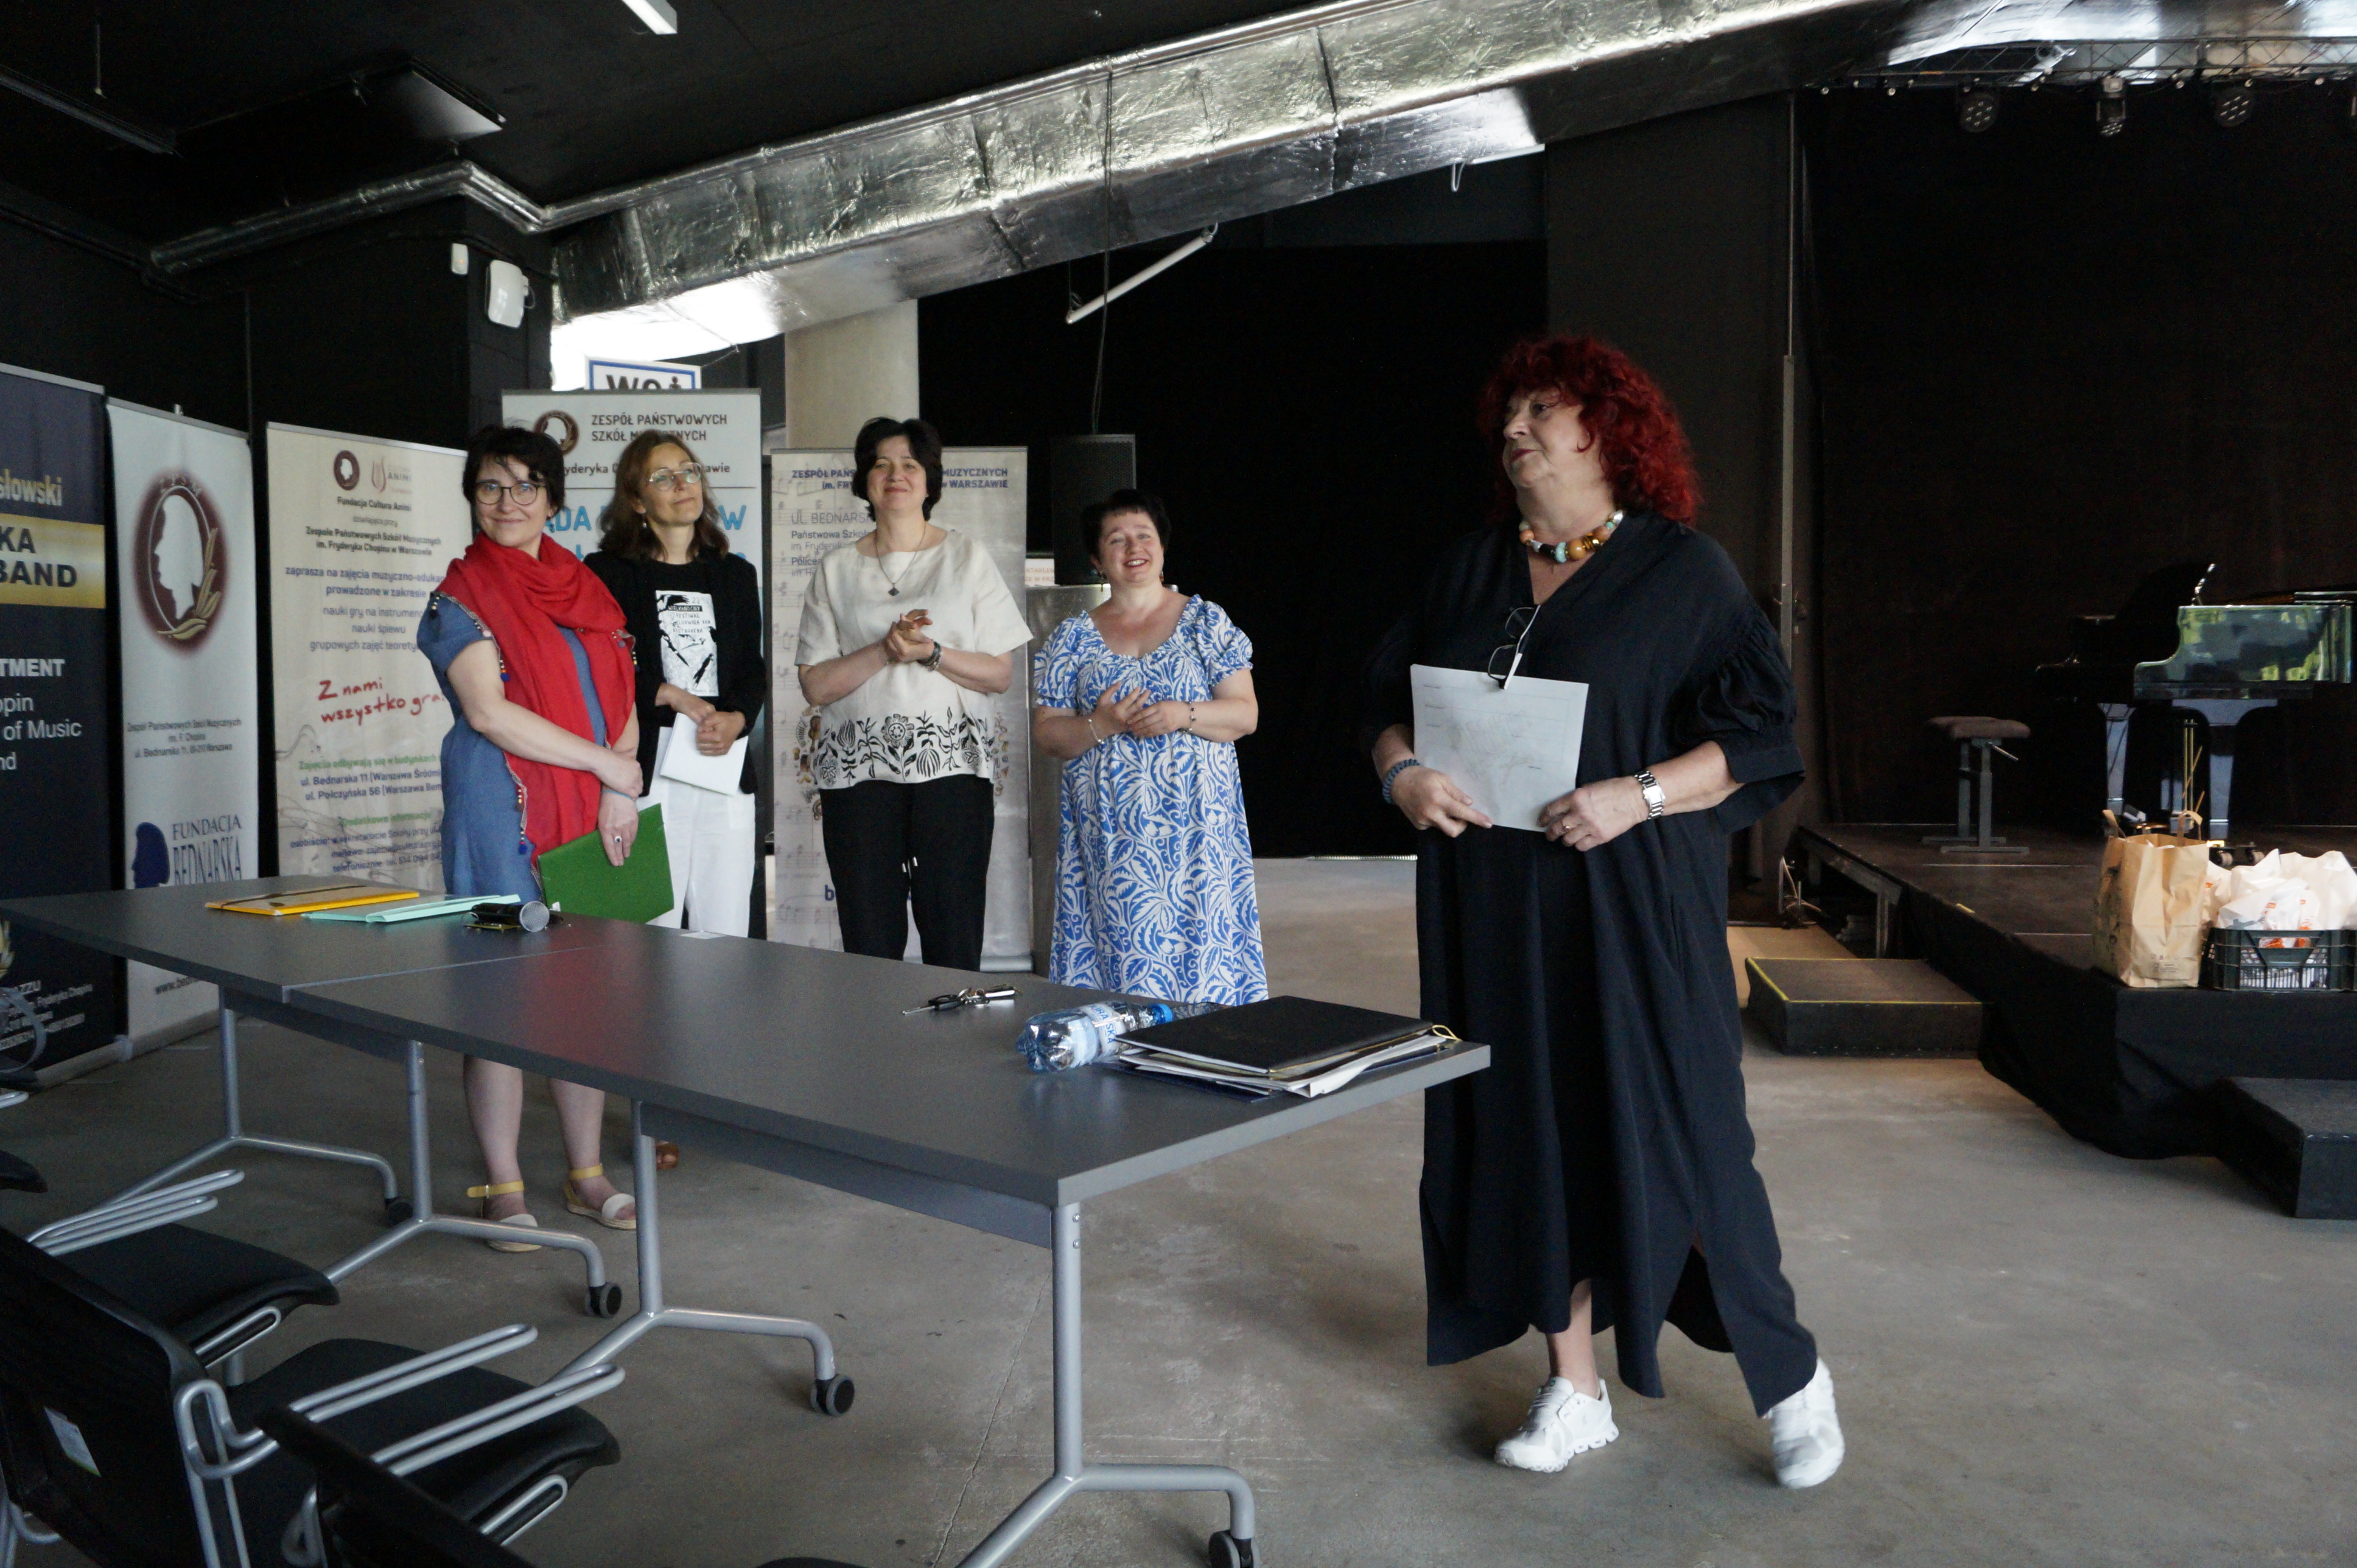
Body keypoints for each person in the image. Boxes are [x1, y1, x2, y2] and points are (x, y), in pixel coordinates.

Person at [1362, 336, 1844, 1488]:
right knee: (1528, 1134)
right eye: (1509, 412)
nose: (1516, 429)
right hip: (1493, 911)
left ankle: (1790, 1380)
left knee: (1690, 1134)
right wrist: (1401, 772)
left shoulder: (1684, 573)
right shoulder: (1470, 570)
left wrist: (1639, 795)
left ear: (1608, 431)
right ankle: (1573, 1388)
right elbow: (1386, 700)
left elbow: (1759, 737)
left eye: (1544, 408)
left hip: (1635, 908)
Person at [417, 425, 640, 1247]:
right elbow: (488, 712)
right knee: (501, 997)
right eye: (490, 486)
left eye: (525, 485)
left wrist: (617, 785)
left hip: (588, 813)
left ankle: (586, 1173)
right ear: (471, 498)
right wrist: (610, 768)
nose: (507, 502)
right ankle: (501, 1184)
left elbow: (620, 694)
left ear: (553, 499)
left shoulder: (588, 590)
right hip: (495, 816)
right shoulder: (459, 597)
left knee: (586, 993)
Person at [794, 416, 1030, 968]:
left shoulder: (967, 557)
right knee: (869, 946)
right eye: (880, 464)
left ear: (929, 481)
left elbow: (999, 674)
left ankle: (954, 1031)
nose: (894, 474)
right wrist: (885, 650)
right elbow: (815, 684)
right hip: (858, 782)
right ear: (864, 481)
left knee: (954, 941)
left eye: (909, 464)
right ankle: (877, 1030)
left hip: (952, 778)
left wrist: (932, 653)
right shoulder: (835, 568)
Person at [1032, 490, 1266, 1004]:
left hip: (1197, 833)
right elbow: (1048, 734)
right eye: (1116, 540)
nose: (1133, 548)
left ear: (1162, 547)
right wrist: (1101, 723)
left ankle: (1204, 1044)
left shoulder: (1205, 621)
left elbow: (1244, 714)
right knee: (1121, 958)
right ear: (1097, 559)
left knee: (1202, 957)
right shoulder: (1073, 638)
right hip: (1111, 838)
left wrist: (1183, 714)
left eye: (1144, 536)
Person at [584, 430, 765, 936]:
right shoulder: (607, 573)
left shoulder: (734, 574)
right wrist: (664, 693)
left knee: (725, 930)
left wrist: (738, 718)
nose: (683, 484)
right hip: (648, 762)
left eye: (689, 471)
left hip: (722, 761)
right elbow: (599, 665)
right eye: (663, 478)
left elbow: (751, 668)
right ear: (637, 500)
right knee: (648, 931)